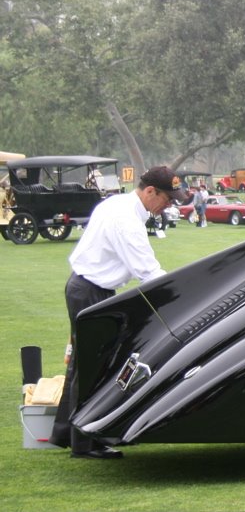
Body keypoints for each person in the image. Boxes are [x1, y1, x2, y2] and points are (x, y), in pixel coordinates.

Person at [51, 165, 189, 459]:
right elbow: (148, 273)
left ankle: (66, 432)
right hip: (92, 291)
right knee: (94, 367)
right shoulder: (127, 221)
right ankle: (85, 442)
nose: (168, 205)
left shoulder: (116, 204)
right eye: (167, 198)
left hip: (85, 287)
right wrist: (183, 294)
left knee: (81, 363)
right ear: (151, 191)